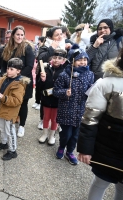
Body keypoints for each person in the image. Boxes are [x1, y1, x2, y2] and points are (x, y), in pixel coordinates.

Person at [77, 49, 123, 200]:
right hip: (108, 145)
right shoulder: (106, 83)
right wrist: (85, 149)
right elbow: (90, 119)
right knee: (101, 182)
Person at [53, 44, 94, 165]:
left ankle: (70, 151)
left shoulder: (90, 74)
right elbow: (55, 91)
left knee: (75, 135)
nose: (82, 62)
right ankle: (61, 146)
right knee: (66, 133)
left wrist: (92, 91)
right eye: (79, 60)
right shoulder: (65, 75)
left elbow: (91, 89)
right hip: (66, 110)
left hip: (81, 111)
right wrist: (65, 92)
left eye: (84, 59)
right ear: (73, 61)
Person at [0, 58, 30, 160]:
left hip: (10, 112)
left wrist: (2, 97)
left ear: (18, 71)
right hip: (1, 109)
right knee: (2, 128)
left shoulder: (19, 84)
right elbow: (1, 90)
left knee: (10, 131)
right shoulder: (4, 79)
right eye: (8, 68)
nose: (8, 71)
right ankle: (4, 143)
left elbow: (17, 100)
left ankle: (12, 150)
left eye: (12, 69)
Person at [1, 25, 35, 137]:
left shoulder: (27, 47)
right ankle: (12, 120)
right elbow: (4, 63)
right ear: (13, 35)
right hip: (10, 79)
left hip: (23, 80)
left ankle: (22, 126)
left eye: (22, 35)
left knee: (23, 103)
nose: (20, 37)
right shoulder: (8, 48)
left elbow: (29, 66)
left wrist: (17, 77)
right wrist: (5, 75)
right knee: (12, 101)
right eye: (17, 34)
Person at [36, 26, 71, 130]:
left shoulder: (66, 43)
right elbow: (41, 58)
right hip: (47, 74)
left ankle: (58, 122)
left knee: (60, 100)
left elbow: (72, 61)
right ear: (51, 37)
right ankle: (43, 119)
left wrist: (69, 50)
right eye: (57, 35)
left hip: (61, 76)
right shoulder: (45, 46)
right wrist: (51, 48)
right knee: (45, 97)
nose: (60, 36)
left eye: (61, 34)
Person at [37, 49, 67, 145]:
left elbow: (66, 87)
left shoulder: (65, 72)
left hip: (57, 100)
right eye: (54, 57)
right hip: (46, 98)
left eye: (59, 58)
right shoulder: (45, 69)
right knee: (45, 117)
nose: (56, 60)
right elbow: (39, 86)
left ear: (63, 60)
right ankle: (45, 134)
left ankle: (52, 135)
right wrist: (42, 80)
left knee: (55, 119)